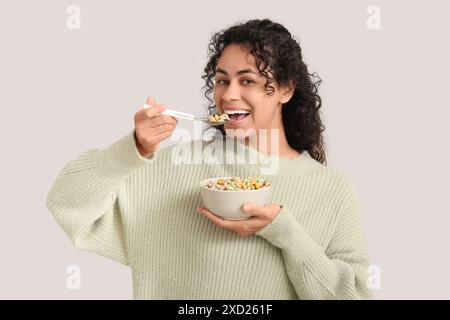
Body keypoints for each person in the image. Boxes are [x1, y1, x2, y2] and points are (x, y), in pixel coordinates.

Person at [47, 18, 373, 299]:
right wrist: (133, 148)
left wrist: (286, 233)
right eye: (221, 80)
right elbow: (65, 202)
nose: (228, 94)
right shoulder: (167, 167)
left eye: (248, 80)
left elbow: (355, 293)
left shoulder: (332, 189)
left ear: (286, 89)